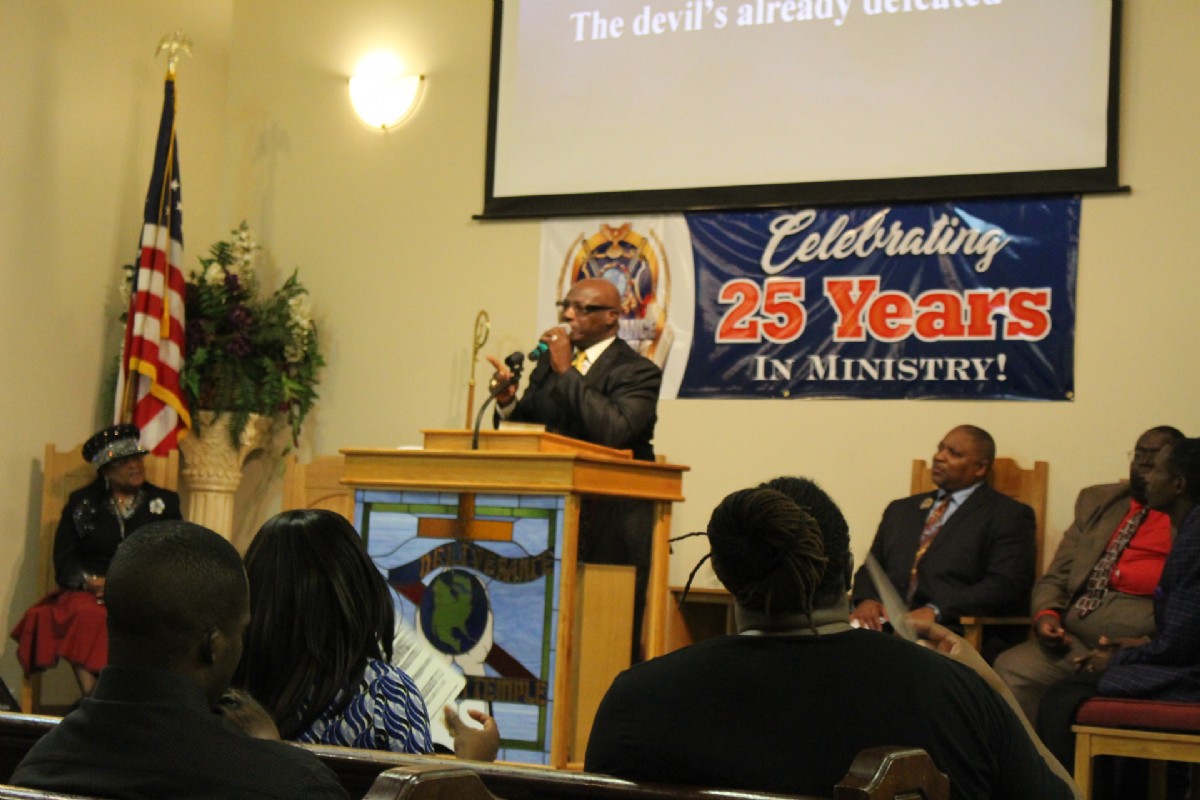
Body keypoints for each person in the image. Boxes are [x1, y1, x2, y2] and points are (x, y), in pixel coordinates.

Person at [584, 478, 1078, 800]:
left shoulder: (637, 698)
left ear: (726, 576)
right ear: (846, 569)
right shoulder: (955, 693)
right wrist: (994, 689)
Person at [10, 520, 348, 799]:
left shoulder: (38, 768)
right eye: (240, 631)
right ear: (212, 645)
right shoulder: (291, 784)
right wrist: (272, 756)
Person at [234, 509, 499, 761]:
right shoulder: (383, 693)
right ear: (358, 591)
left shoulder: (229, 686)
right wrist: (473, 762)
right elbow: (417, 787)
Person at [487, 277, 662, 656]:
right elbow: (532, 429)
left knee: (602, 641)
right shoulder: (547, 367)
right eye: (566, 306)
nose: (568, 315)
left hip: (609, 525)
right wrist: (507, 403)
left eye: (582, 309)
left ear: (612, 316)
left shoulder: (638, 371)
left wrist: (567, 371)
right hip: (547, 518)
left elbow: (615, 431)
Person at [994, 426, 1184, 723]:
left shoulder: (1186, 517)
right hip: (1072, 642)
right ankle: (1026, 754)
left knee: (1073, 696)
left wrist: (1140, 646)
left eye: (1156, 455)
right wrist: (1046, 616)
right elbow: (1057, 575)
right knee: (1013, 669)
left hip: (1138, 649)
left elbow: (1185, 609)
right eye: (1139, 454)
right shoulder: (1098, 502)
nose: (1145, 463)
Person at [1036, 437, 1200, 774]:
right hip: (1182, 661)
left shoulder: (1193, 539)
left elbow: (1181, 646)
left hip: (1191, 677)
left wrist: (1115, 658)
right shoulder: (1190, 527)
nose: (1146, 476)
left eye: (1156, 470)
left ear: (1178, 484)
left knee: (1064, 696)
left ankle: (1061, 789)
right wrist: (1138, 647)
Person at [9, 423, 181, 696]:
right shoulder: (82, 503)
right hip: (90, 592)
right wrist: (90, 582)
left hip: (143, 589)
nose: (135, 465)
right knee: (87, 615)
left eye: (137, 458)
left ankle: (109, 701)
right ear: (106, 471)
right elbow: (65, 559)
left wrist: (127, 585)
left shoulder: (165, 502)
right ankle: (95, 698)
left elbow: (174, 556)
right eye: (124, 462)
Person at [850, 424, 1036, 659]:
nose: (939, 457)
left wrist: (935, 611)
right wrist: (867, 599)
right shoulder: (901, 509)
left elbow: (1005, 584)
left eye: (954, 453)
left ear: (980, 468)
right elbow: (872, 566)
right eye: (940, 448)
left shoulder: (1007, 515)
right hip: (886, 626)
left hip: (952, 629)